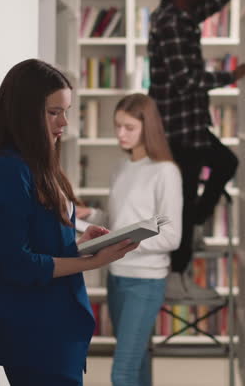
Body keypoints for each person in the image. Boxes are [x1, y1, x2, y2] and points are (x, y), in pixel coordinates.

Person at [0, 59, 138, 386]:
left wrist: (79, 246)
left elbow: (40, 243)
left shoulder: (39, 164)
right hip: (37, 331)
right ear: (24, 112)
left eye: (66, 111)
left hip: (58, 325)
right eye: (54, 112)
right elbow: (17, 263)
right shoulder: (9, 170)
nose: (64, 122)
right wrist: (91, 262)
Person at [147, 0, 245, 300]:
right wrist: (231, 77)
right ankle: (176, 275)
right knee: (185, 201)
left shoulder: (183, 13)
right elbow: (185, 81)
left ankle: (197, 227)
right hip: (178, 128)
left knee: (224, 165)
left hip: (190, 124)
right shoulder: (171, 23)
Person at [77, 93, 182, 386]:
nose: (120, 134)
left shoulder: (166, 172)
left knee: (122, 373)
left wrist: (122, 243)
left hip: (145, 282)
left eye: (129, 127)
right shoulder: (120, 169)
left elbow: (172, 236)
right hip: (117, 277)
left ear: (147, 127)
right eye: (117, 126)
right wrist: (90, 214)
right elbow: (117, 221)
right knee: (137, 364)